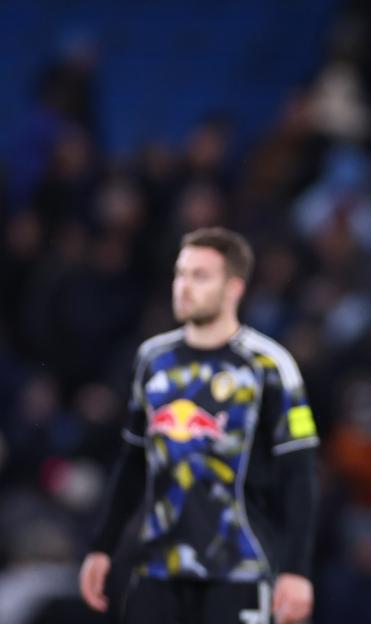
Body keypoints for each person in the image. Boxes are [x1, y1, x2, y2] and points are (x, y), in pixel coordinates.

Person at [78, 227, 319, 624]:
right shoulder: (152, 360)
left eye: (200, 276)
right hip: (158, 569)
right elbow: (133, 462)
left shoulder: (269, 366)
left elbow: (300, 475)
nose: (184, 287)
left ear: (233, 288)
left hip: (239, 567)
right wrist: (103, 545)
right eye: (180, 273)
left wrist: (296, 570)